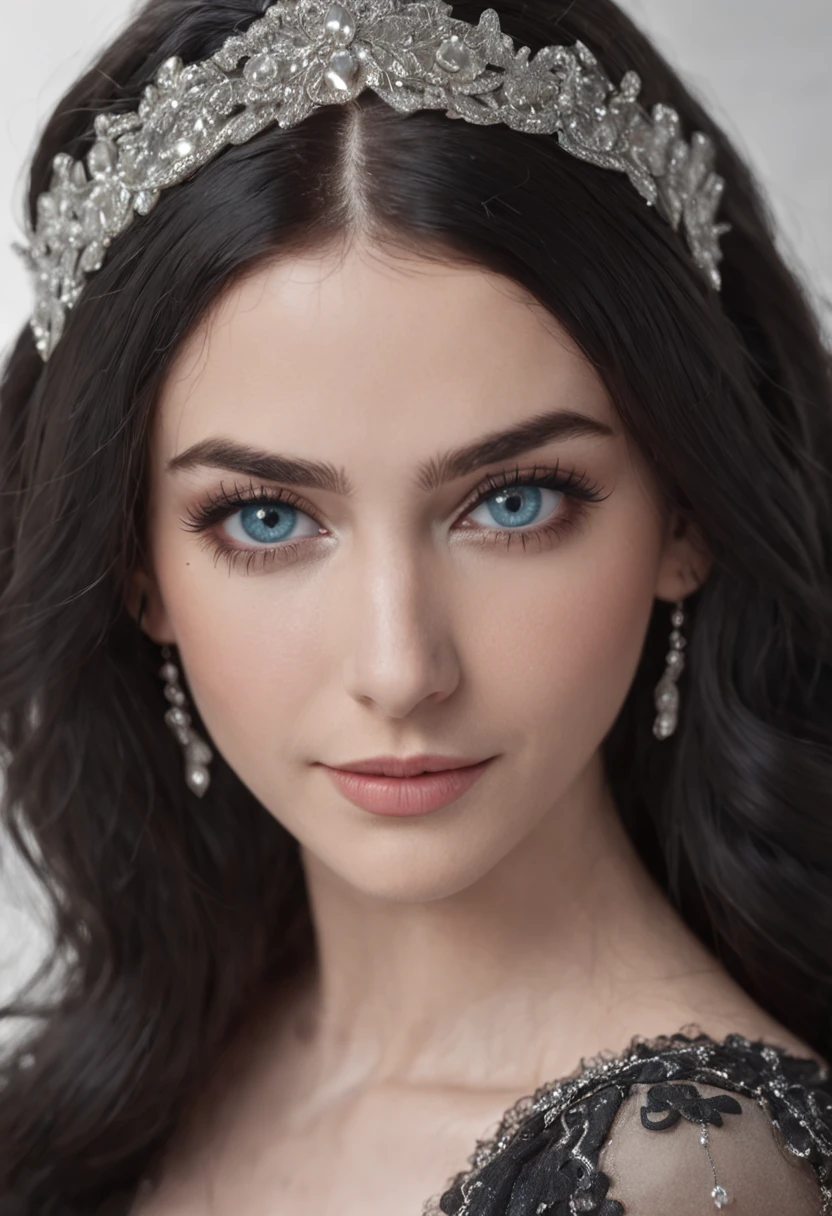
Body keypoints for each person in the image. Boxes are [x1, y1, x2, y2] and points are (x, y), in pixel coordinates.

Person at [0, 0, 831, 1211]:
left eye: (513, 503)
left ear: (686, 516)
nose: (401, 667)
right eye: (266, 517)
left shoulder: (693, 1171)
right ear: (136, 567)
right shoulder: (147, 1073)